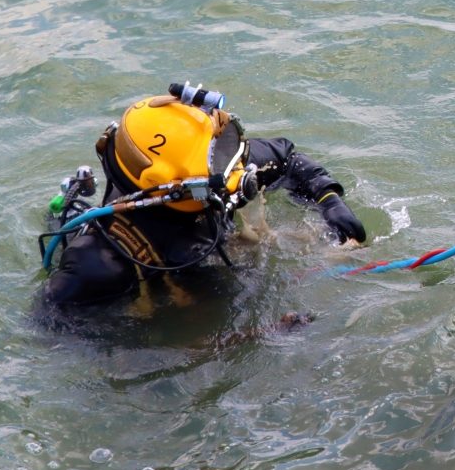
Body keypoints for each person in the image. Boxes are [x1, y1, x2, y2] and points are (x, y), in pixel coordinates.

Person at [39, 83, 367, 308]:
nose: (239, 174)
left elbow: (288, 158)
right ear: (171, 185)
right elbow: (56, 340)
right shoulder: (96, 268)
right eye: (220, 163)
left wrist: (329, 201)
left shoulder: (218, 168)